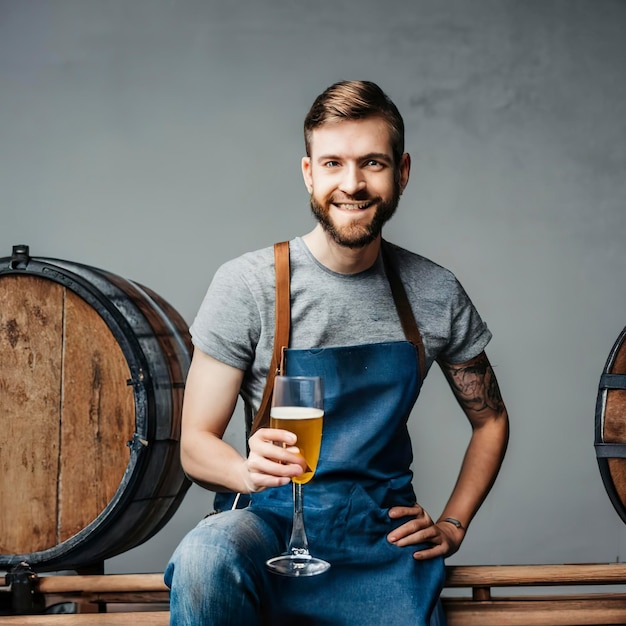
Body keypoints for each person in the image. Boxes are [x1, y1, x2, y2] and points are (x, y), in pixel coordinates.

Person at [164, 80, 509, 626]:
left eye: (372, 162)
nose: (352, 184)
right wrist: (249, 473)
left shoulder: (434, 292)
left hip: (380, 539)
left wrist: (453, 524)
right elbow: (195, 445)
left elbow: (490, 421)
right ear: (309, 173)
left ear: (402, 172)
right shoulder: (248, 285)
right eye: (333, 163)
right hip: (268, 524)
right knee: (206, 556)